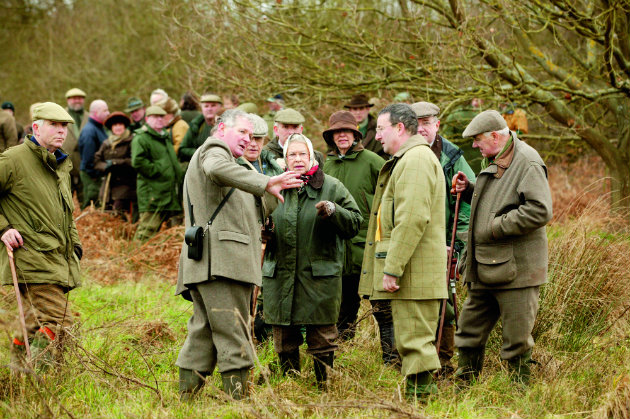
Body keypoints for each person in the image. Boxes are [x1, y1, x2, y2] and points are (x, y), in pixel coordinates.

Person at [175, 109, 303, 400]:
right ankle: (239, 402)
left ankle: (186, 401)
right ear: (221, 129)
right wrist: (262, 182)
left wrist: (272, 185)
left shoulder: (240, 165)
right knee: (234, 329)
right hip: (222, 262)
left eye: (253, 135)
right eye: (242, 133)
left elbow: (253, 210)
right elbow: (215, 169)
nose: (248, 140)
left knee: (204, 331)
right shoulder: (214, 150)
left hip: (215, 262)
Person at [452, 110, 552, 385]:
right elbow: (504, 198)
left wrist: (495, 227)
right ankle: (465, 387)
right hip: (486, 266)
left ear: (495, 136)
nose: (474, 145)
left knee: (516, 341)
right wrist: (471, 189)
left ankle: (519, 396)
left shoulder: (527, 161)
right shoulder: (496, 157)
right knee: (468, 332)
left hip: (518, 271)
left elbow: (539, 210)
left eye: (477, 139)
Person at [358, 103, 447, 400]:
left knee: (416, 343)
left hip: (414, 275)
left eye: (381, 129)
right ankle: (419, 401)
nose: (377, 136)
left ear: (399, 128)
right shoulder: (411, 158)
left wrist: (392, 268)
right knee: (411, 342)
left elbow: (411, 219)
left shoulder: (416, 160)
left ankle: (422, 403)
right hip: (414, 274)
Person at [263, 133, 362, 389]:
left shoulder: (332, 186)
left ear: (311, 157)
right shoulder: (272, 187)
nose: (297, 159)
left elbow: (354, 223)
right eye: (291, 155)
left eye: (302, 154)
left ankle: (324, 388)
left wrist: (333, 211)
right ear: (284, 160)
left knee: (322, 338)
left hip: (319, 278)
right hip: (280, 274)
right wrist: (263, 231)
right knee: (284, 338)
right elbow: (254, 221)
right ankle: (290, 388)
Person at [1, 102, 82, 367]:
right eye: (54, 125)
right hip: (31, 256)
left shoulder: (60, 164)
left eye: (64, 127)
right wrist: (4, 228)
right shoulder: (13, 159)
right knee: (61, 325)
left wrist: (76, 245)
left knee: (34, 321)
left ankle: (18, 373)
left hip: (58, 256)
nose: (61, 132)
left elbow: (64, 211)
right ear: (36, 127)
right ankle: (45, 380)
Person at [322, 111, 399, 365]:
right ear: (331, 137)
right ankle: (344, 360)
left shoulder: (373, 161)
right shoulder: (326, 165)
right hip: (336, 250)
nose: (342, 136)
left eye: (347, 131)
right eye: (337, 132)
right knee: (342, 309)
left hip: (368, 247)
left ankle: (391, 360)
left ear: (356, 135)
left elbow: (393, 194)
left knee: (381, 308)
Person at [410, 101, 476, 376]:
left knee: (445, 305)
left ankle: (445, 362)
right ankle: (415, 360)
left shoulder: (451, 156)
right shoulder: (405, 152)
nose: (422, 128)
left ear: (437, 125)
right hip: (414, 239)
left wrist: (457, 246)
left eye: (427, 123)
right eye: (418, 123)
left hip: (444, 242)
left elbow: (468, 204)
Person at [236, 114, 284, 343]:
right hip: (243, 242)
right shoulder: (233, 167)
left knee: (266, 294)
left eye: (259, 139)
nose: (254, 143)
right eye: (250, 138)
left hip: (272, 243)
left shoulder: (273, 166)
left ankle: (263, 340)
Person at [131, 106, 183, 241]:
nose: (159, 120)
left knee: (171, 233)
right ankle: (135, 259)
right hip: (152, 193)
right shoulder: (141, 138)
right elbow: (138, 162)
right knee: (147, 231)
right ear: (147, 119)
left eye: (162, 117)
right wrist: (160, 170)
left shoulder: (164, 136)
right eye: (155, 117)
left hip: (168, 191)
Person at [93, 112, 137, 220]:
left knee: (119, 214)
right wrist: (104, 166)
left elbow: (133, 161)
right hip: (108, 187)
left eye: (120, 125)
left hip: (125, 186)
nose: (117, 127)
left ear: (125, 126)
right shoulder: (106, 143)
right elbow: (97, 160)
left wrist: (115, 163)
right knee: (107, 214)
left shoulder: (131, 141)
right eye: (115, 125)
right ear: (111, 128)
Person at [78, 99, 110, 208]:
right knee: (90, 203)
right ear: (96, 112)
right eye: (105, 110)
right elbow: (88, 157)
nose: (108, 113)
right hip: (91, 176)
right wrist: (94, 175)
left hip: (96, 174)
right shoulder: (89, 131)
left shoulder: (99, 128)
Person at [441, 98, 484, 174]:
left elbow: (446, 140)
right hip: (479, 161)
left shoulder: (453, 116)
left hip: (461, 163)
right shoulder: (479, 116)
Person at [178, 94, 222, 163]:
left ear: (220, 107)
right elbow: (183, 149)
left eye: (213, 105)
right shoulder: (196, 125)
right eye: (206, 106)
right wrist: (201, 153)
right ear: (202, 109)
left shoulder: (226, 126)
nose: (209, 109)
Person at [63, 88, 88, 202]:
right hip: (64, 165)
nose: (77, 101)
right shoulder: (60, 116)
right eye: (74, 98)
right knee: (64, 201)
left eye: (80, 98)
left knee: (86, 200)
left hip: (85, 166)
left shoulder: (90, 117)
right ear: (68, 100)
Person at [343, 94, 386, 158]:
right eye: (355, 109)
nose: (358, 112)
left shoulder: (379, 129)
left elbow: (385, 154)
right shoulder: (341, 129)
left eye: (361, 108)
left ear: (368, 109)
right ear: (350, 111)